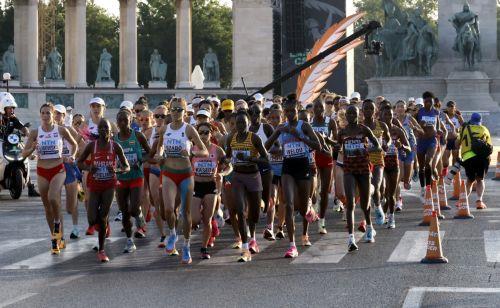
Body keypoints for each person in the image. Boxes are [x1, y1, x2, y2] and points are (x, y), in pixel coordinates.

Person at [265, 98, 321, 258]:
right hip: (288, 167)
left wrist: (300, 136)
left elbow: (318, 146)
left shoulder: (304, 126)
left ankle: (309, 207)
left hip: (303, 166)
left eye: (292, 111)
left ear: (298, 110)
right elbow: (266, 147)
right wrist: (276, 132)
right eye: (287, 111)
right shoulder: (282, 127)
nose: (289, 114)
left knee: (303, 209)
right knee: (288, 205)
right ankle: (292, 246)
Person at [156, 97, 208, 264]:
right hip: (169, 173)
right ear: (170, 110)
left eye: (180, 109)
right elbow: (160, 149)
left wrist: (192, 153)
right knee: (169, 210)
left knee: (185, 213)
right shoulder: (164, 129)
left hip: (186, 174)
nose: (176, 112)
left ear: (185, 112)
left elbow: (204, 151)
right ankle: (172, 233)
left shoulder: (189, 129)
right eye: (174, 109)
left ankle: (186, 245)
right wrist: (160, 156)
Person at [22, 103, 77, 255]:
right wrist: (32, 148)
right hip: (41, 171)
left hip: (58, 169)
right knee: (47, 207)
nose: (45, 115)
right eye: (43, 113)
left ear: (53, 115)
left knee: (54, 198)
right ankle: (56, 237)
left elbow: (74, 144)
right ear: (40, 115)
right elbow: (23, 154)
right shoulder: (35, 132)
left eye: (48, 113)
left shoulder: (61, 130)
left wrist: (71, 156)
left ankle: (58, 229)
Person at [77, 118, 129, 262]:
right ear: (97, 130)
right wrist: (89, 168)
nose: (103, 131)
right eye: (101, 128)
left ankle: (101, 250)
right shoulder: (91, 146)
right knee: (93, 218)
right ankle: (102, 227)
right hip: (94, 185)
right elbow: (79, 162)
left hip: (109, 185)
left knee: (103, 216)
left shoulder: (115, 146)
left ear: (111, 131)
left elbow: (126, 166)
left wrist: (117, 170)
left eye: (106, 128)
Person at [226, 111, 269, 262]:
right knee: (240, 210)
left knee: (254, 215)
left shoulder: (254, 138)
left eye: (243, 123)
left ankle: (253, 238)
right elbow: (227, 155)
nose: (241, 126)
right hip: (238, 177)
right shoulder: (231, 138)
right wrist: (224, 162)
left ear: (248, 123)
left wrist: (251, 158)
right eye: (238, 123)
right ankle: (245, 248)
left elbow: (266, 158)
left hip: (253, 176)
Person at [336, 105, 381, 251]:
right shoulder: (342, 132)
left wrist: (366, 150)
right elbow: (337, 148)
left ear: (357, 114)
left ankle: (369, 226)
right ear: (345, 116)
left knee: (365, 204)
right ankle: (351, 239)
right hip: (349, 169)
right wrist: (329, 145)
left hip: (363, 169)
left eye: (353, 113)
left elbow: (378, 146)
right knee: (350, 203)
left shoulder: (364, 129)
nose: (350, 115)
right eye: (348, 113)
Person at [191, 123, 232, 259]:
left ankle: (204, 248)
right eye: (200, 133)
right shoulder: (192, 149)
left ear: (211, 133)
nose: (203, 135)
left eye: (206, 132)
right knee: (196, 219)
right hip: (196, 185)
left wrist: (223, 173)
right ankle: (207, 218)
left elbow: (229, 166)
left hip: (210, 186)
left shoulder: (218, 150)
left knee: (207, 219)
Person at [114, 109, 151, 253]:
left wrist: (140, 161)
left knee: (134, 208)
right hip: (121, 179)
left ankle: (140, 215)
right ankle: (129, 241)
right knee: (124, 211)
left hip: (136, 176)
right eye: (120, 120)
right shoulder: (114, 139)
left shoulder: (138, 136)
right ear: (117, 122)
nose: (123, 123)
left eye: (126, 120)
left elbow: (148, 153)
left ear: (131, 121)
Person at [54, 104, 85, 239]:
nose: (57, 116)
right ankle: (60, 233)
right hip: (55, 167)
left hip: (69, 167)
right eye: (55, 113)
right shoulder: (49, 130)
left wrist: (73, 157)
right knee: (56, 201)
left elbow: (80, 146)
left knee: (70, 206)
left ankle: (75, 227)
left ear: (64, 116)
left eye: (60, 114)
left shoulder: (69, 130)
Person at [380, 105, 410, 228]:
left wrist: (401, 146)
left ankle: (391, 217)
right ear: (381, 116)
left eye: (390, 115)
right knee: (383, 191)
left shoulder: (397, 130)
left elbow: (409, 149)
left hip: (393, 163)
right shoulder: (376, 129)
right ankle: (382, 213)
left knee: (390, 193)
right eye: (385, 115)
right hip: (380, 163)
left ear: (393, 117)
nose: (388, 117)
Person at [311, 99, 338, 234]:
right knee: (313, 190)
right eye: (315, 107)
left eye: (320, 107)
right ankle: (314, 204)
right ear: (312, 109)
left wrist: (328, 140)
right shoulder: (308, 123)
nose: (318, 109)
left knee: (325, 191)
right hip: (313, 158)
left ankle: (322, 221)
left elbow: (337, 143)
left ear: (324, 108)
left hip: (327, 157)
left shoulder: (330, 122)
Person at [362, 99, 390, 226]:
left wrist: (386, 145)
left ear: (375, 111)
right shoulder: (359, 126)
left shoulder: (381, 125)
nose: (368, 111)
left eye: (371, 109)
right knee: (370, 188)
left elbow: (388, 139)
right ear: (362, 110)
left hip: (378, 160)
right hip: (364, 162)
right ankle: (373, 212)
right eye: (366, 108)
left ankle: (378, 205)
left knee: (378, 187)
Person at [456, 113, 492, 209]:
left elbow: (457, 144)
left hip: (468, 157)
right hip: (482, 158)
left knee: (470, 180)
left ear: (471, 120)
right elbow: (489, 147)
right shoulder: (484, 129)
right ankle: (479, 201)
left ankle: (462, 201)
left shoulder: (464, 129)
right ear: (480, 121)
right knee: (480, 180)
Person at [416, 91, 443, 198]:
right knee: (421, 167)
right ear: (424, 102)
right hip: (421, 141)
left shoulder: (436, 112)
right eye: (426, 101)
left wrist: (439, 131)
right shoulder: (419, 112)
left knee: (428, 163)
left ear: (433, 102)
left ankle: (429, 186)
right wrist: (420, 125)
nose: (428, 103)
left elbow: (438, 127)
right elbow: (415, 127)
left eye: (430, 101)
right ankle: (423, 188)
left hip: (432, 141)